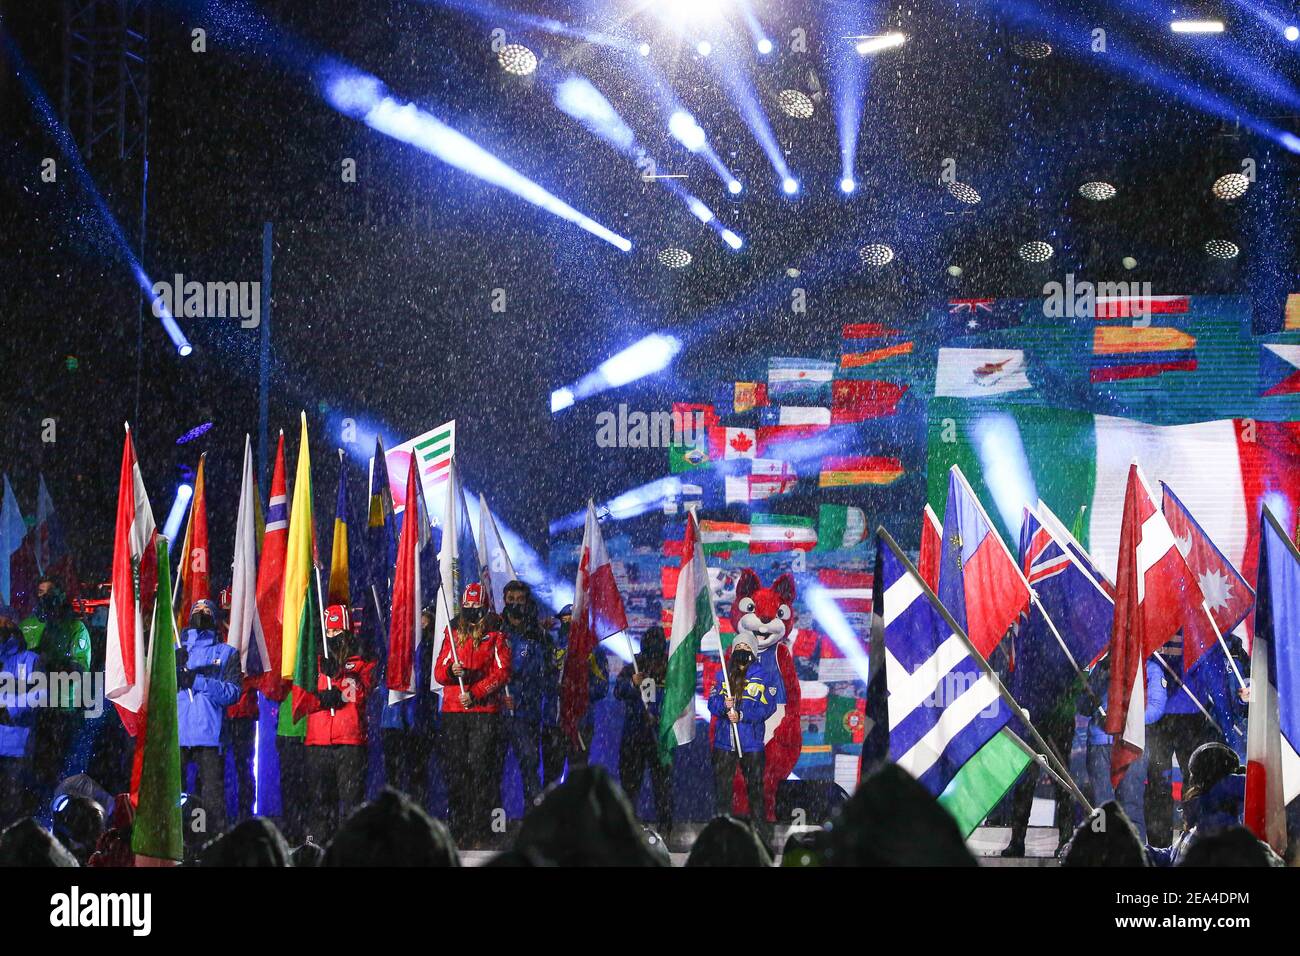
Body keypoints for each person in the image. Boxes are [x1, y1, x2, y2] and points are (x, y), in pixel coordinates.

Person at [433, 582, 510, 849]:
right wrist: (451, 670)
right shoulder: (453, 632)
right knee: (456, 772)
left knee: (480, 771)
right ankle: (458, 828)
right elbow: (439, 671)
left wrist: (476, 691)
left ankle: (480, 830)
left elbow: (501, 673)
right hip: (454, 712)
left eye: (477, 608)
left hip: (483, 712)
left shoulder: (496, 635)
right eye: (469, 607)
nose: (472, 612)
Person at [1145, 634, 1235, 846]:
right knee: (1163, 783)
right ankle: (1164, 845)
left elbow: (1210, 668)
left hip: (1189, 713)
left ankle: (1188, 838)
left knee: (1188, 782)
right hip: (1163, 715)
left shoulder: (1193, 617)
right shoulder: (1157, 617)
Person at [303, 604, 377, 842]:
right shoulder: (313, 661)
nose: (332, 637)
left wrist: (338, 678)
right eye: (328, 632)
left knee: (351, 801)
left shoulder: (362, 660)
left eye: (336, 632)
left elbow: (362, 692)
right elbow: (302, 696)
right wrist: (321, 699)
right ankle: (320, 849)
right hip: (318, 739)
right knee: (320, 801)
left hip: (349, 740)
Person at [20, 577, 90, 811]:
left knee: (60, 770)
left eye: (49, 593)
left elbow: (80, 669)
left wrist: (53, 664)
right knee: (35, 770)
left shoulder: (75, 628)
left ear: (59, 596)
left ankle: (59, 815)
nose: (43, 598)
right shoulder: (36, 626)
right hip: (37, 710)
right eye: (40, 593)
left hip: (64, 711)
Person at [175, 598, 241, 838]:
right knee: (176, 797)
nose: (201, 613)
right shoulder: (176, 650)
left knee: (211, 799)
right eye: (196, 610)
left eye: (206, 611)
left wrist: (197, 681)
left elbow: (233, 692)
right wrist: (172, 669)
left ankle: (210, 843)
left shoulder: (226, 653)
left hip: (210, 736)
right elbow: (158, 691)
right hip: (179, 736)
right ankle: (180, 842)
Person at [1086, 656, 1166, 842]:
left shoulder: (1150, 669)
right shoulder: (1101, 667)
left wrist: (1123, 721)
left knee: (1131, 805)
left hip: (1131, 744)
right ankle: (1101, 854)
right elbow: (1083, 704)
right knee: (1101, 806)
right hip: (1100, 744)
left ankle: (1134, 856)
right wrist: (1094, 694)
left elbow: (1156, 707)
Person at [708, 636, 777, 850]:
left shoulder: (763, 677)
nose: (742, 650)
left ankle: (761, 837)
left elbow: (768, 708)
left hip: (751, 743)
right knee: (722, 791)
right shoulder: (722, 676)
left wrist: (742, 714)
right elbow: (712, 703)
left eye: (747, 647)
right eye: (738, 646)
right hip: (724, 743)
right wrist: (723, 704)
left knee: (755, 790)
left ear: (754, 652)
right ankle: (722, 837)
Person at [614, 625, 673, 840]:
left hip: (661, 735)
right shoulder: (634, 665)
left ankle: (666, 828)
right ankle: (628, 827)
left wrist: (661, 717)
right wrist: (632, 683)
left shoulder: (671, 666)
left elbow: (678, 697)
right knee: (630, 783)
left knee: (662, 785)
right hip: (634, 734)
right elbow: (618, 691)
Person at [498, 580, 554, 808]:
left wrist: (519, 696)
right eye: (510, 600)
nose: (515, 604)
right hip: (497, 710)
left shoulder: (538, 635)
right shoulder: (495, 630)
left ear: (527, 602)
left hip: (526, 712)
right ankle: (491, 823)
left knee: (530, 766)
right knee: (491, 769)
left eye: (519, 600)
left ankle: (533, 821)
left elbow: (541, 674)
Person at [381, 606, 439, 811]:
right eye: (418, 619)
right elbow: (382, 682)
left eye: (425, 620)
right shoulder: (394, 644)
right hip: (394, 719)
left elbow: (432, 682)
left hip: (420, 720)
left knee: (417, 774)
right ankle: (394, 818)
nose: (420, 624)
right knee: (394, 775)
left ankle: (417, 818)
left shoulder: (432, 647)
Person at [545, 602, 608, 785]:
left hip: (582, 720)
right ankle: (550, 812)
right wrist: (556, 688)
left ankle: (576, 812)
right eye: (565, 622)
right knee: (551, 774)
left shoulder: (594, 649)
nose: (568, 626)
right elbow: (540, 677)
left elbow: (602, 686)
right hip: (554, 719)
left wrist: (578, 691)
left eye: (572, 622)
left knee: (578, 774)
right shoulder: (551, 646)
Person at [0, 606, 43, 826]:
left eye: (4, 622)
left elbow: (40, 694)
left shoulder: (30, 659)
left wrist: (10, 709)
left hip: (17, 743)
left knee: (13, 804)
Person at [221, 586, 260, 823]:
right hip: (221, 714)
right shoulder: (216, 636)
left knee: (244, 770)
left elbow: (259, 674)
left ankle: (246, 818)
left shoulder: (251, 636)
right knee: (216, 771)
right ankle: (220, 820)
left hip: (244, 713)